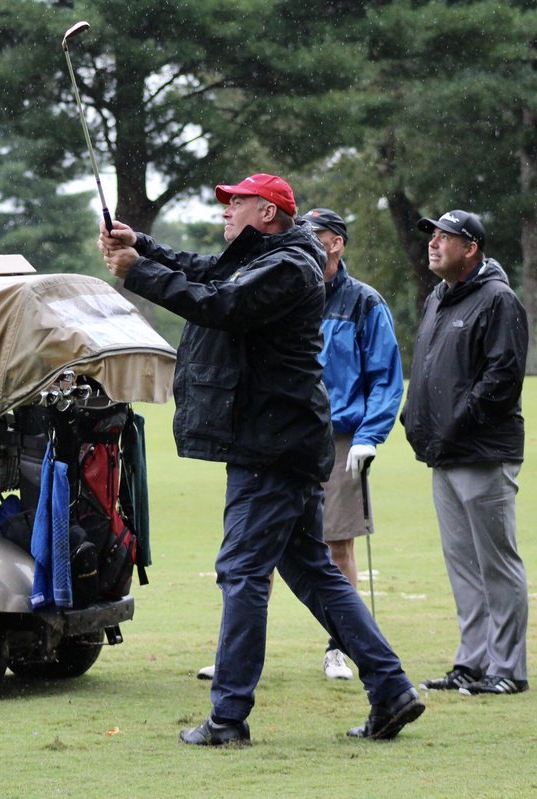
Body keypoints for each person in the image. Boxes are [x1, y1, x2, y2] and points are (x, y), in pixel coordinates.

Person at [99, 173, 423, 746]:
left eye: (237, 202)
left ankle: (228, 718)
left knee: (243, 573)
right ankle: (392, 689)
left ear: (269, 213)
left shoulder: (288, 266)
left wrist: (137, 272)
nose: (226, 210)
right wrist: (142, 244)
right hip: (279, 441)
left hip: (272, 447)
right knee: (314, 572)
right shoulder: (271, 256)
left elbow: (219, 304)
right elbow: (205, 271)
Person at [401, 209, 530, 696]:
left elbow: (502, 378)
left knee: (495, 563)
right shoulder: (438, 297)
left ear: (470, 247)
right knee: (462, 564)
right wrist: (414, 418)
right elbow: (431, 368)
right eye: (431, 237)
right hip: (446, 453)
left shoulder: (498, 299)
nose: (432, 244)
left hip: (482, 452)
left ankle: (508, 669)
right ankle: (472, 663)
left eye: (443, 237)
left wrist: (455, 424)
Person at [301, 208, 404, 681]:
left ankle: (339, 645)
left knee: (336, 542)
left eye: (313, 236)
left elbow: (385, 376)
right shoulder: (289, 291)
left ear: (335, 243)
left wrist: (369, 437)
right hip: (288, 432)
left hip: (340, 435)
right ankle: (241, 651)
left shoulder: (363, 302)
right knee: (257, 541)